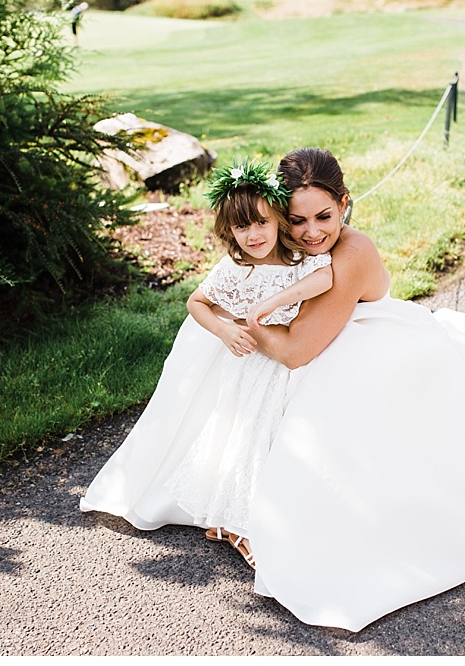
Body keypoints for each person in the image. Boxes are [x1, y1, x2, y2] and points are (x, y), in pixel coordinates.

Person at [81, 147, 465, 633]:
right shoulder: (290, 247)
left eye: (324, 215)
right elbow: (253, 285)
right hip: (310, 343)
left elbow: (299, 350)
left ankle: (281, 515)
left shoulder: (350, 254)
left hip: (357, 348)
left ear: (345, 203)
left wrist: (249, 321)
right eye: (296, 220)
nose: (311, 232)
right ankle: (233, 494)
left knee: (343, 418)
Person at [80, 159, 332, 569]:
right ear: (229, 231)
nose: (253, 235)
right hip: (249, 365)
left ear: (279, 221)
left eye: (262, 224)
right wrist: (225, 330)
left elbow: (323, 280)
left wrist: (270, 302)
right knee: (247, 438)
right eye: (242, 227)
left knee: (276, 439)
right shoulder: (235, 269)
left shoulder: (298, 259)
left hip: (286, 362)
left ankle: (256, 515)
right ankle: (237, 522)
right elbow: (196, 302)